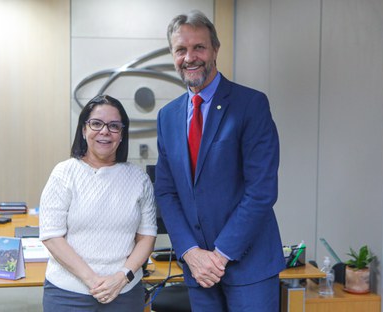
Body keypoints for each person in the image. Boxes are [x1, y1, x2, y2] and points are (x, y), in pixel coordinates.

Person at [154, 10, 286, 311]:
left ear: (215, 49)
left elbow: (261, 190)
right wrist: (190, 253)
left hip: (249, 265)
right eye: (181, 50)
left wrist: (220, 255)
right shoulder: (167, 117)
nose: (190, 57)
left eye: (199, 47)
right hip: (197, 269)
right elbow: (166, 191)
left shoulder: (251, 105)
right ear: (173, 55)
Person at [39, 94, 157, 312]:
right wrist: (92, 280)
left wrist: (121, 277)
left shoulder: (139, 179)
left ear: (122, 134)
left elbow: (147, 237)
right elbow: (52, 235)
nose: (105, 131)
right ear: (84, 130)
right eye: (96, 123)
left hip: (125, 292)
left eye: (114, 126)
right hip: (68, 294)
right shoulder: (64, 173)